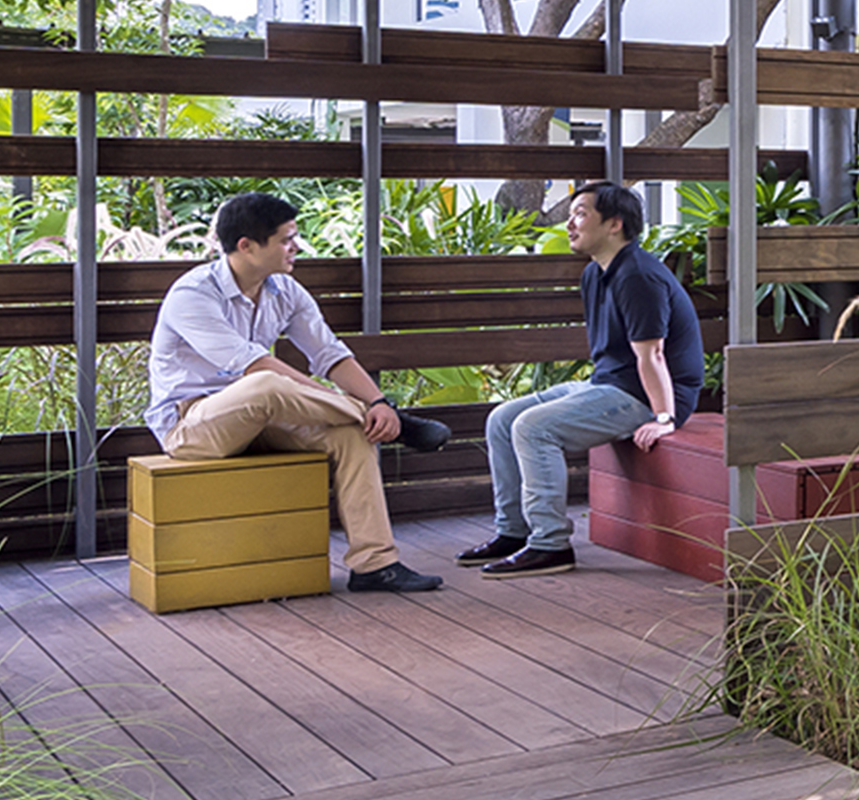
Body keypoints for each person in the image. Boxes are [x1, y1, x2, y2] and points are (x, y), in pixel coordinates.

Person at [146, 192, 450, 595]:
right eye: (286, 239)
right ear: (246, 246)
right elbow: (254, 365)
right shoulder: (194, 295)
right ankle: (390, 421)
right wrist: (367, 408)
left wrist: (375, 402)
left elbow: (329, 354)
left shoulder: (285, 291)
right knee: (266, 382)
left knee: (350, 435)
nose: (297, 247)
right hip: (192, 426)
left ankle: (375, 565)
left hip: (261, 418)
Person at [464, 179, 704, 578]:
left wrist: (665, 419)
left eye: (580, 213)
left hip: (647, 396)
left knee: (533, 427)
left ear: (614, 224)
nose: (570, 223)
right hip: (610, 384)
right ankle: (514, 532)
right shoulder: (595, 274)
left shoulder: (638, 276)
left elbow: (654, 354)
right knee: (502, 419)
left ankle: (550, 544)